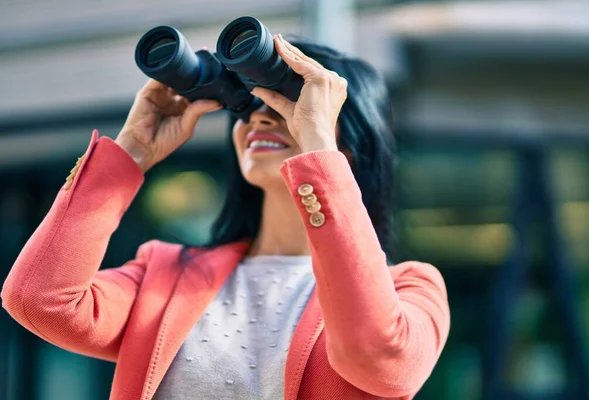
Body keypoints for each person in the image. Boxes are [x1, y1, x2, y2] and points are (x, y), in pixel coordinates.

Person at [1, 34, 450, 400]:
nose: (259, 118)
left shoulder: (411, 289)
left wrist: (316, 146)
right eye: (248, 107)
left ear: (348, 147)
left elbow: (377, 359)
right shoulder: (166, 274)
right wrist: (131, 151)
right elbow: (39, 299)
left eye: (288, 105)